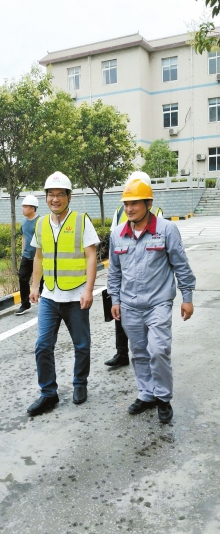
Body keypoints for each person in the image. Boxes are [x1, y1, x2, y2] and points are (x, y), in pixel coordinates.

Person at [107, 178, 196, 424]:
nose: (129, 209)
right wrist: (115, 299)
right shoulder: (117, 234)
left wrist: (186, 297)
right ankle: (146, 394)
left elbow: (181, 266)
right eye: (126, 204)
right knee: (138, 353)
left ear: (148, 203)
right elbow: (114, 272)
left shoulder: (166, 230)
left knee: (158, 351)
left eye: (135, 203)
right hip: (129, 305)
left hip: (158, 303)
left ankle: (163, 398)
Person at [27, 171, 100, 416]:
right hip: (50, 296)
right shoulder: (41, 223)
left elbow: (92, 256)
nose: (55, 199)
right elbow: (39, 256)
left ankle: (80, 384)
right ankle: (48, 393)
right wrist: (34, 286)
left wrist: (89, 289)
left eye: (60, 194)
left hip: (76, 296)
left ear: (69, 196)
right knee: (42, 346)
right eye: (51, 195)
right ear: (46, 197)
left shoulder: (81, 220)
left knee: (81, 345)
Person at [104, 171, 163, 368]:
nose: (130, 207)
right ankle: (122, 353)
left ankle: (149, 352)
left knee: (146, 321)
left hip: (145, 276)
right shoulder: (120, 211)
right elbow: (114, 234)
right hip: (123, 269)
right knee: (119, 315)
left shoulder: (157, 214)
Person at [15, 195, 39, 315]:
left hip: (39, 257)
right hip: (27, 256)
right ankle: (25, 304)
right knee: (22, 278)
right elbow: (24, 237)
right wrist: (22, 252)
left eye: (25, 206)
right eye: (23, 206)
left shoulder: (40, 221)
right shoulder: (24, 222)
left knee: (44, 281)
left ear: (33, 208)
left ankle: (48, 305)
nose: (23, 209)